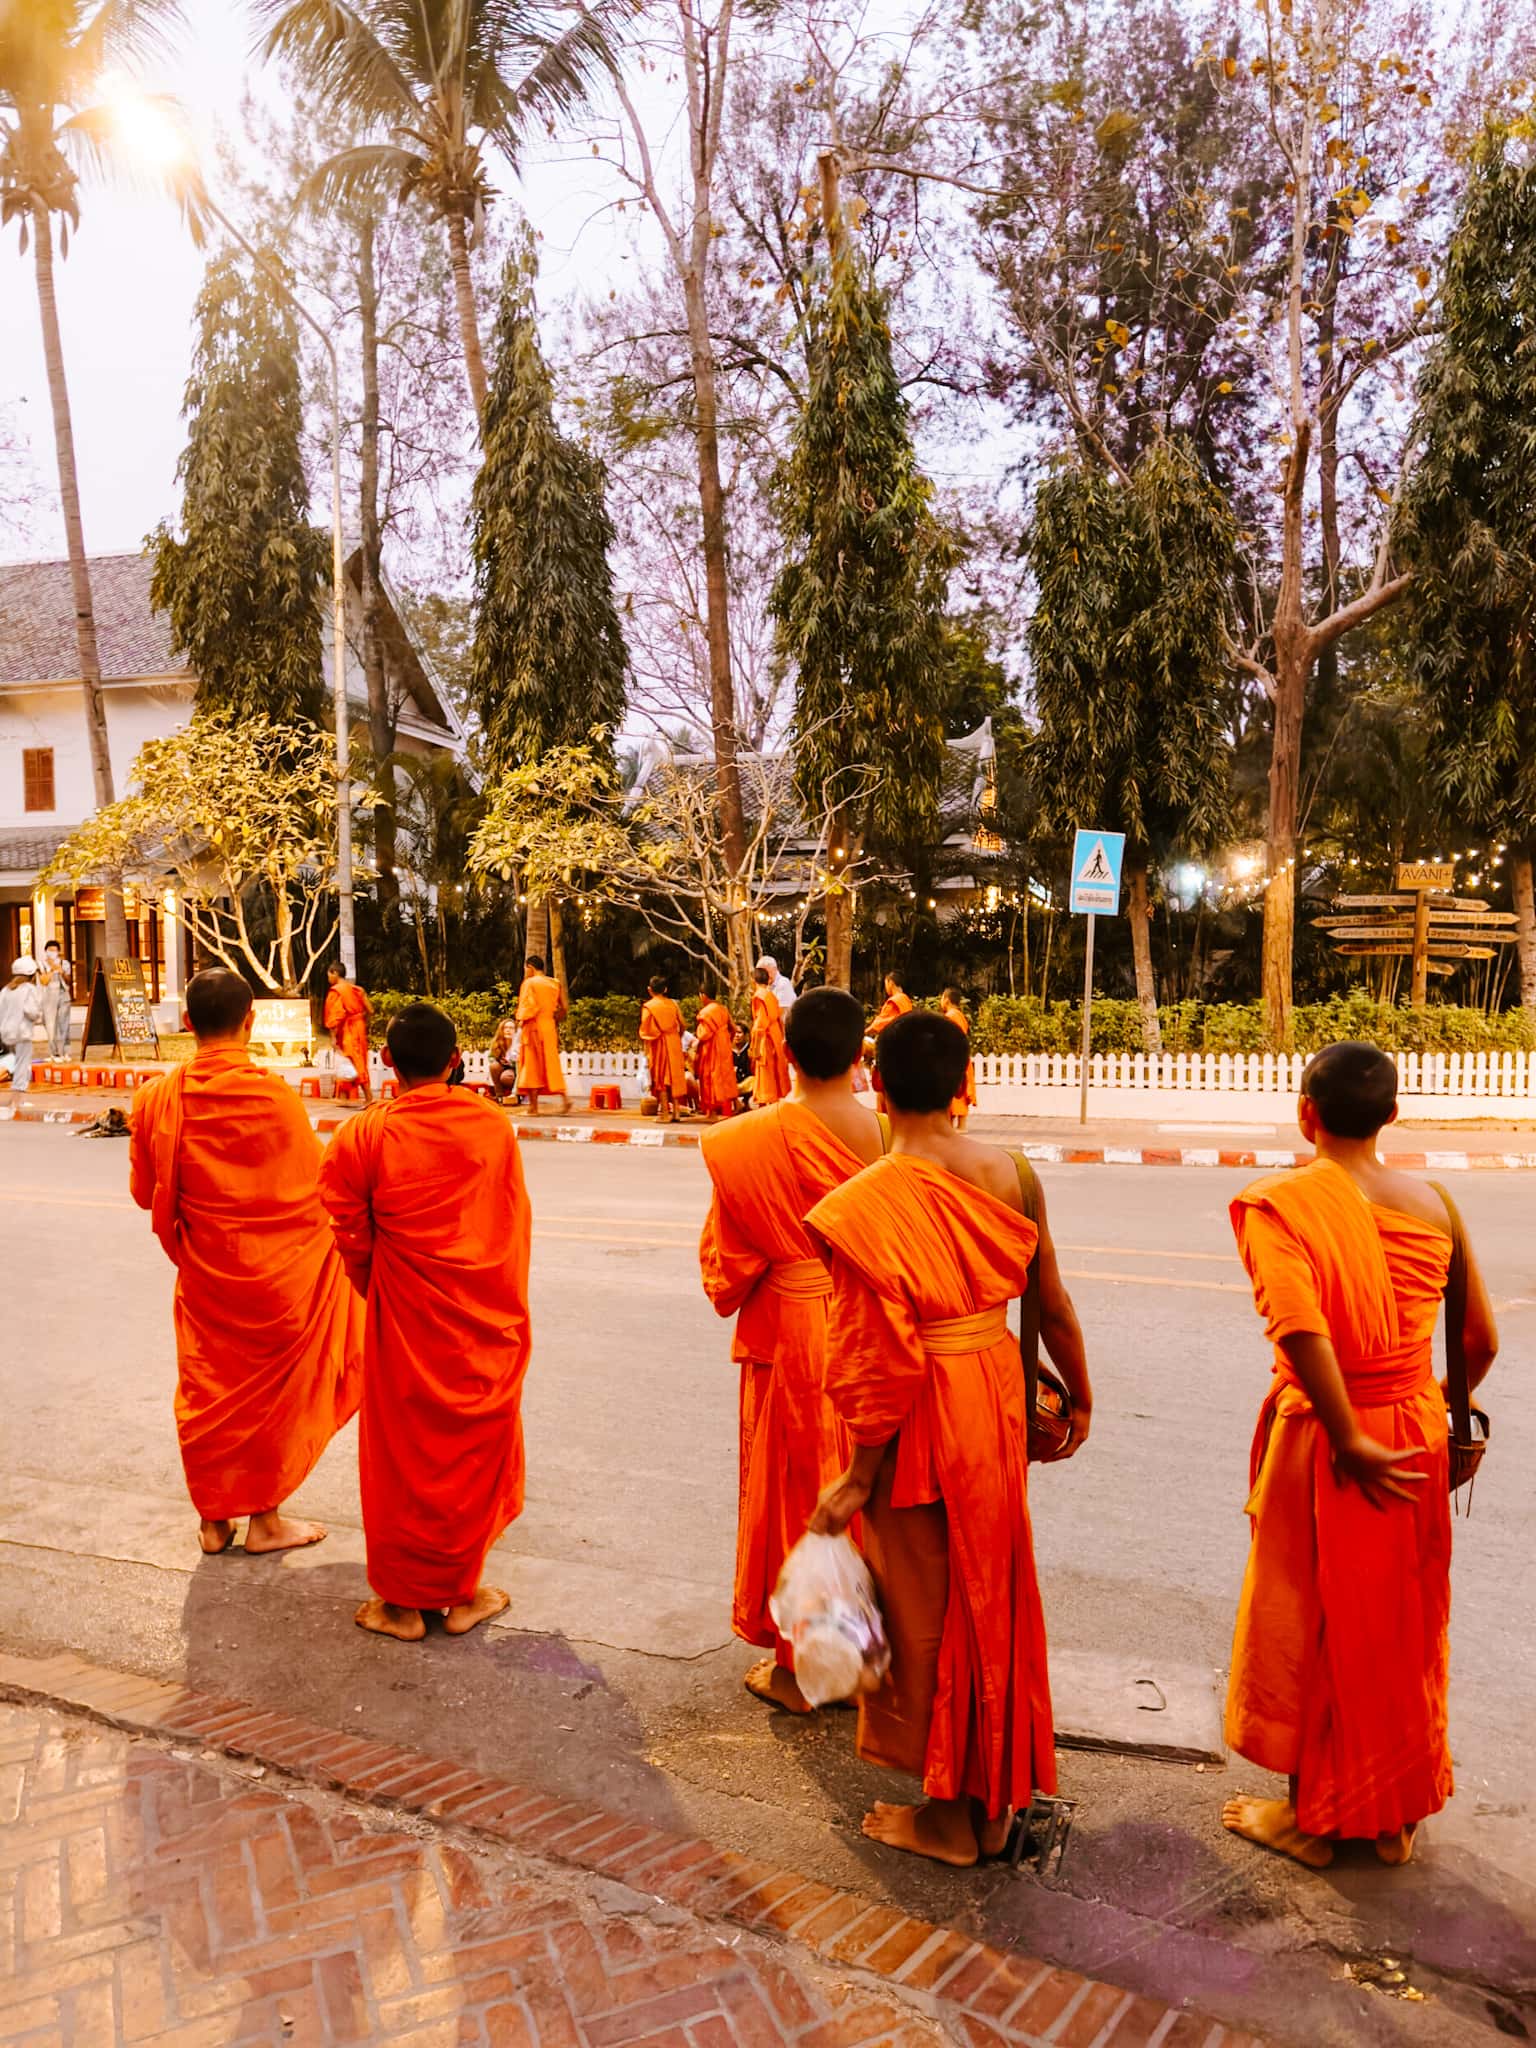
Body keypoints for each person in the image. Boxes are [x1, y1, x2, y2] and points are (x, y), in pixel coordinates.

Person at [806, 1009, 1092, 1867]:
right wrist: (1078, 1396)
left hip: (921, 1413)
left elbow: (875, 1362)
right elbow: (1052, 1301)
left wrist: (857, 1475)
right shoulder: (1011, 1173)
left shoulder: (862, 1206)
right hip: (994, 1391)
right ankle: (992, 1798)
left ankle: (950, 1816)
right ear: (964, 1082)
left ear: (877, 1084)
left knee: (925, 1610)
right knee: (990, 1595)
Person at [1221, 1041, 1498, 1871]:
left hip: (1332, 1434)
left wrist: (1347, 1435)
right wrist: (1438, 1401)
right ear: (1392, 1116)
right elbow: (1480, 1339)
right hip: (1414, 1422)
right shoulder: (1434, 1202)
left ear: (1306, 1115)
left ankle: (1317, 1820)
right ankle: (1391, 1812)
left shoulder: (1286, 1205)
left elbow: (1298, 1327)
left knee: (1321, 1621)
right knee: (1400, 1624)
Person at [129, 969, 364, 1556]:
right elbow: (318, 1185)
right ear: (251, 1021)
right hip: (279, 1281)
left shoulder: (157, 1098)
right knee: (270, 1397)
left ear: (187, 1025)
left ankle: (213, 1520)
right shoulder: (274, 1097)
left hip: (207, 1278)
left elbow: (144, 1191)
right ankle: (265, 1520)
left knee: (209, 1390)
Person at [319, 1002, 533, 1642]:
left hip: (405, 1320)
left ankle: (402, 1606)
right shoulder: (492, 1128)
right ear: (454, 1062)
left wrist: (379, 1284)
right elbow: (509, 1227)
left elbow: (346, 1227)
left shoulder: (364, 1134)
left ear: (386, 1061)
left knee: (403, 1457)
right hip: (482, 1323)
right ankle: (461, 1593)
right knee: (468, 1452)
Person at [699, 989, 887, 1714]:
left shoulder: (751, 1139)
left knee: (794, 1496)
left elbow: (728, 1264)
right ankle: (855, 1653)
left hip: (792, 1329)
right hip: (873, 1330)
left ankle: (804, 1670)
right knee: (866, 1493)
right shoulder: (890, 1136)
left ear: (780, 1050)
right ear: (859, 1056)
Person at [515, 955, 570, 1115]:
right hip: (549, 1027)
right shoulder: (554, 983)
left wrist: (520, 1020)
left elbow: (528, 1008)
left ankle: (533, 1108)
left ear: (530, 967)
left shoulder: (529, 983)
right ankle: (566, 1100)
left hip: (533, 1026)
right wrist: (553, 1021)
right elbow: (564, 1007)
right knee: (551, 1065)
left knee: (532, 1066)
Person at [640, 974, 689, 1123]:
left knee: (661, 1078)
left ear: (649, 990)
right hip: (673, 1041)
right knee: (674, 1078)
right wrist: (676, 1036)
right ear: (666, 989)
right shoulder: (673, 1004)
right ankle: (676, 1113)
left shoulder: (649, 1007)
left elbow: (646, 1031)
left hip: (659, 1043)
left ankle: (665, 1114)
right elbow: (683, 1024)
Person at [323, 963, 374, 1105]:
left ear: (334, 973)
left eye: (329, 975)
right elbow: (370, 1010)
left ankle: (369, 1097)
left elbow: (336, 1016)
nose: (328, 979)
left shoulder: (337, 991)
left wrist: (333, 1037)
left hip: (349, 1030)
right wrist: (361, 1022)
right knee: (354, 1060)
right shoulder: (357, 989)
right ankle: (344, 1097)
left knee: (354, 1060)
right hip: (359, 1026)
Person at [866, 972, 914, 1113]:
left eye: (886, 983)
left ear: (890, 983)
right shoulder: (906, 1000)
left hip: (890, 1049)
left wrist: (867, 1030)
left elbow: (883, 1022)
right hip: (903, 1047)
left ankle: (884, 1115)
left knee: (883, 1085)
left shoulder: (895, 1001)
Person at [693, 984, 738, 1122]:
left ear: (703, 995)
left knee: (709, 1078)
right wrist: (727, 1040)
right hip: (724, 1046)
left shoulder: (706, 1012)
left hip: (711, 1048)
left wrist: (698, 1041)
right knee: (725, 1076)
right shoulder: (723, 1009)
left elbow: (704, 1034)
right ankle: (729, 1108)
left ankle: (711, 1112)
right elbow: (734, 1028)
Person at [0, 957, 44, 1093]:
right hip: (22, 1033)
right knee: (22, 1065)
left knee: (14, 1062)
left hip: (6, 1033)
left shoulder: (5, 990)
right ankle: (18, 1097)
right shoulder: (28, 989)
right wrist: (38, 1016)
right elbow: (32, 1012)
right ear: (30, 974)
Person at [750, 965, 790, 1106]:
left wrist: (754, 1046)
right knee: (773, 1070)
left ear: (753, 981)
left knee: (765, 1071)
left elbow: (761, 1023)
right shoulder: (771, 996)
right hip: (775, 1035)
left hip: (765, 1038)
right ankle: (771, 1103)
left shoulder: (759, 996)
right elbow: (778, 1018)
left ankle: (766, 1103)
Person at [940, 988, 978, 1129]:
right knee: (959, 1091)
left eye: (942, 997)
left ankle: (957, 1127)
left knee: (954, 1092)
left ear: (947, 1000)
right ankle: (961, 1126)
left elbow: (949, 1038)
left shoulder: (951, 1016)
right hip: (959, 1056)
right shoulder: (959, 1015)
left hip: (953, 1057)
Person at [39, 940, 72, 1058]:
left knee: (64, 1024)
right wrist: (52, 969)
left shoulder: (65, 963)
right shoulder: (42, 964)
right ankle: (54, 1053)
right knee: (50, 1025)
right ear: (46, 951)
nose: (52, 953)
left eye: (55, 950)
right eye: (50, 950)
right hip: (49, 997)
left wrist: (61, 971)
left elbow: (69, 980)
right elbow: (43, 981)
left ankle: (65, 1052)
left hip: (63, 995)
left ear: (59, 951)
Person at [489, 1015, 518, 1101]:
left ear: (516, 1031)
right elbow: (490, 1057)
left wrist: (511, 1063)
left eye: (511, 1028)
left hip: (515, 1070)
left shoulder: (518, 1045)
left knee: (506, 1078)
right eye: (506, 1028)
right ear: (502, 1030)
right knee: (493, 1066)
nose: (508, 1030)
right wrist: (499, 1060)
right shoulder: (497, 1043)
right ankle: (499, 1095)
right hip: (501, 1067)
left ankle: (515, 1094)